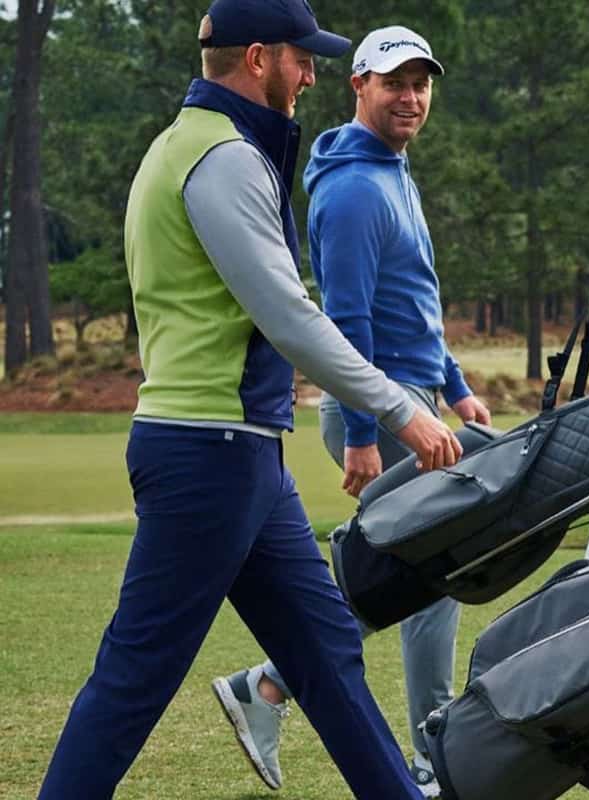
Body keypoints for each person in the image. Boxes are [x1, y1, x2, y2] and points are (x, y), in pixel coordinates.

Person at [37, 3, 463, 798]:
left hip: (242, 453)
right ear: (259, 58)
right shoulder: (222, 157)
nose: (311, 76)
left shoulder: (184, 146)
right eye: (303, 60)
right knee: (137, 673)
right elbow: (290, 314)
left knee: (327, 651)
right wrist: (401, 409)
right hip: (208, 453)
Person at [210, 25, 487, 798]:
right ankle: (429, 759)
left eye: (421, 83)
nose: (411, 97)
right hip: (383, 414)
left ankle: (267, 687)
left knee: (416, 576)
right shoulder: (354, 188)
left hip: (418, 403)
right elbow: (350, 319)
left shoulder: (394, 171)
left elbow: (415, 299)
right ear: (357, 85)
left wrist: (455, 384)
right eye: (394, 83)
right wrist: (365, 434)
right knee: (432, 579)